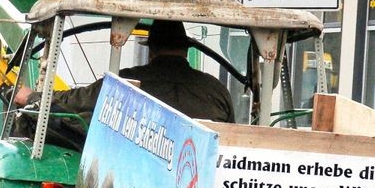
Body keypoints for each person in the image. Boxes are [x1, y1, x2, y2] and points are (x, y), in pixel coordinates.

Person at [14, 20, 236, 123]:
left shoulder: (127, 81)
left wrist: (32, 97)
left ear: (152, 51)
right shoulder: (216, 90)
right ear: (186, 50)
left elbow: (77, 101)